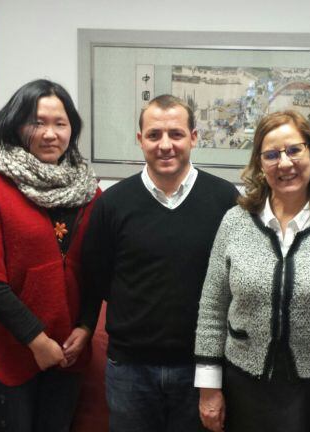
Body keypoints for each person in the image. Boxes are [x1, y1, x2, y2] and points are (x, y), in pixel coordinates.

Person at [194, 110, 310, 432]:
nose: (285, 163)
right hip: (243, 385)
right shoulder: (234, 222)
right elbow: (212, 308)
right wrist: (208, 386)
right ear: (260, 164)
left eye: (294, 150)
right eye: (272, 154)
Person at [0, 79, 101, 431]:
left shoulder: (89, 190)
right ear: (15, 124)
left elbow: (98, 270)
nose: (50, 133)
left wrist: (86, 327)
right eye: (37, 122)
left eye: (60, 123)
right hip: (13, 351)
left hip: (69, 351)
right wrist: (36, 341)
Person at [79, 94, 239, 431]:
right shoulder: (112, 203)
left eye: (176, 134)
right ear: (140, 140)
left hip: (202, 371)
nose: (165, 145)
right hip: (130, 371)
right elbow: (97, 277)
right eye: (154, 135)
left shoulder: (226, 201)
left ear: (194, 137)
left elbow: (235, 282)